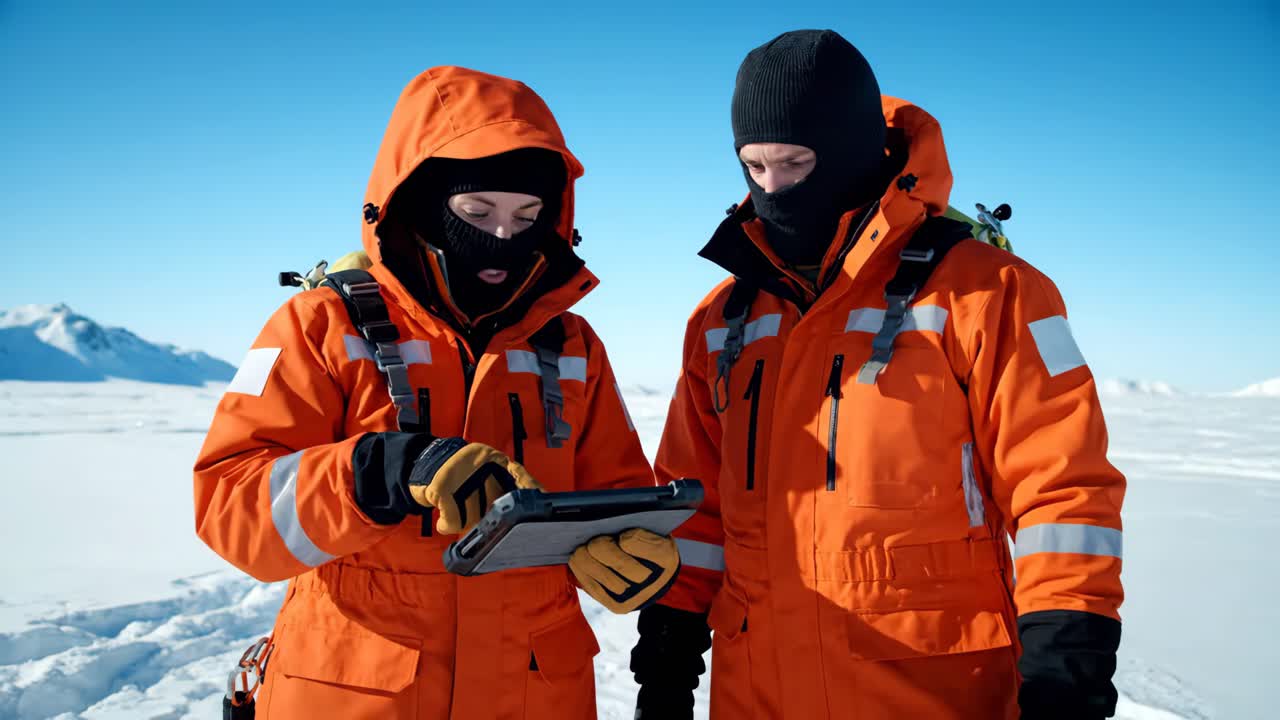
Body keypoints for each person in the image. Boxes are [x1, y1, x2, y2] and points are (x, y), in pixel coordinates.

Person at [631, 30, 1126, 720]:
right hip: (757, 691)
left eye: (796, 162)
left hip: (934, 691)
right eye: (754, 166)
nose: (773, 190)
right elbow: (696, 510)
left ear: (853, 154)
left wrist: (1066, 667)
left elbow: (1062, 494)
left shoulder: (988, 290)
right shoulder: (721, 319)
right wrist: (668, 655)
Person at [194, 65, 680, 720]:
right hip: (360, 693)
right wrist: (377, 472)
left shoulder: (571, 345)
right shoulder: (318, 325)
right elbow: (231, 507)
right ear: (418, 202)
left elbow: (614, 494)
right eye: (477, 212)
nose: (502, 236)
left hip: (535, 693)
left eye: (527, 215)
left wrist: (625, 547)